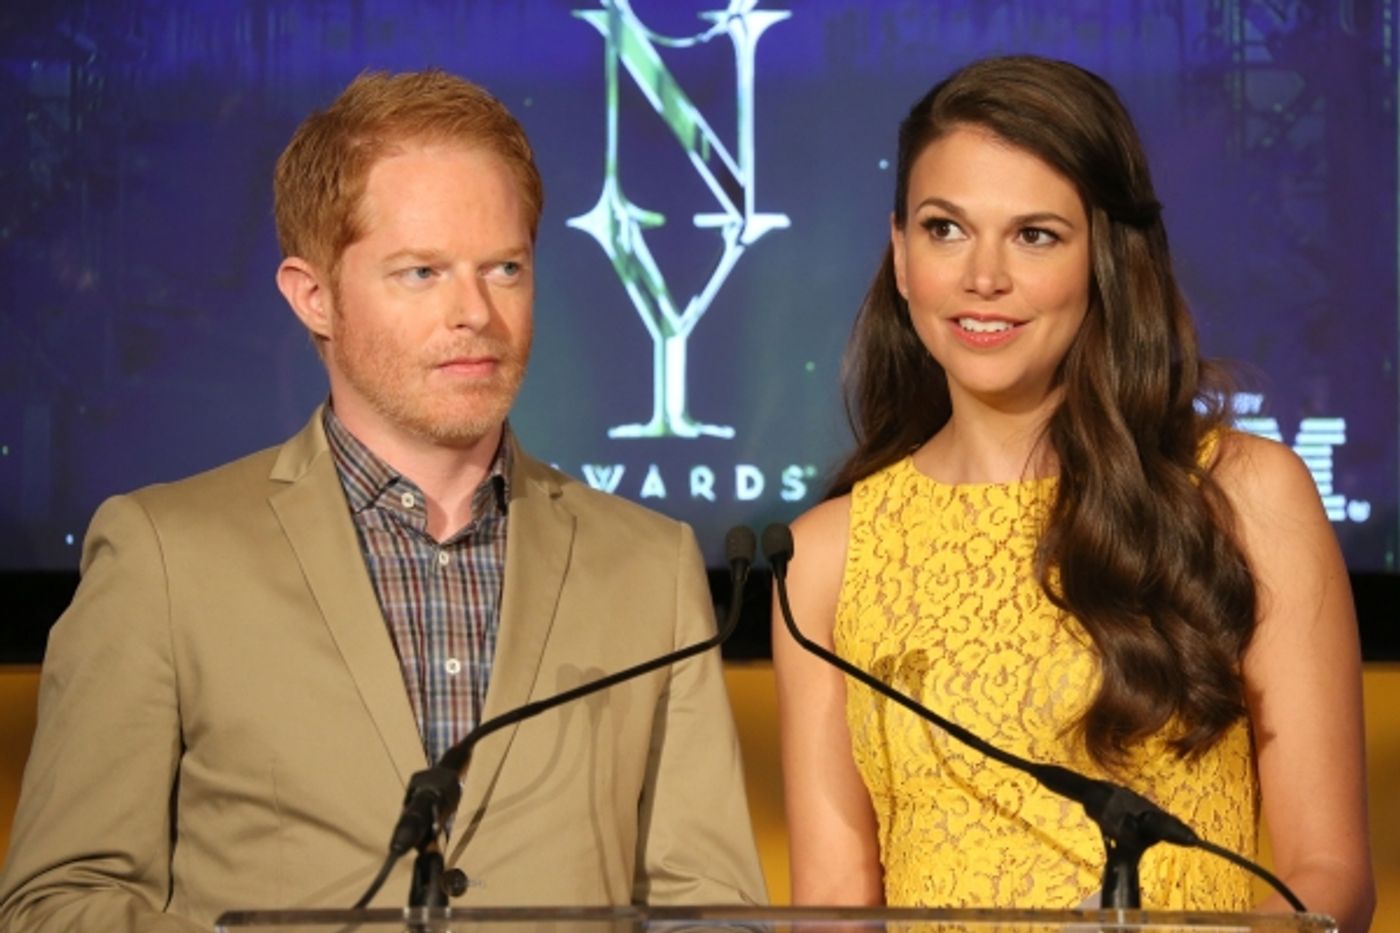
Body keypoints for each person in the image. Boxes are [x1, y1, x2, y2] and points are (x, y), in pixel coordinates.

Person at [0, 70, 766, 931]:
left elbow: (712, 909)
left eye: (504, 267)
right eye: (421, 272)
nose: (474, 311)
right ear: (313, 296)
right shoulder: (164, 554)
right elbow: (58, 904)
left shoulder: (651, 566)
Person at [772, 55, 1374, 930]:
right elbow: (833, 900)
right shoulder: (825, 555)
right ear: (900, 255)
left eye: (1035, 235)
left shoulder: (1242, 495)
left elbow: (1329, 876)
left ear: (1106, 260)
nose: (984, 277)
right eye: (946, 229)